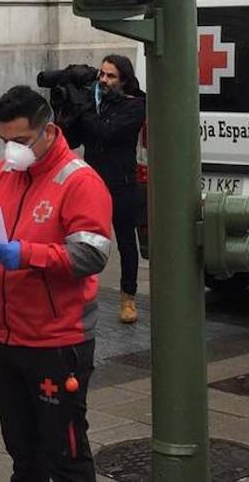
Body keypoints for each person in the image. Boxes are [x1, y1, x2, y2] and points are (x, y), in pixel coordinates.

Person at [0, 85, 113, 482]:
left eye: (19, 140)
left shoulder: (79, 182)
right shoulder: (2, 174)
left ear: (48, 131)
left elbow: (91, 255)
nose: (10, 150)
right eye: (4, 141)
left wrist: (28, 254)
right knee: (22, 451)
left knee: (65, 453)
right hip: (5, 338)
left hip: (57, 342)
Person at [67, 54, 147, 324]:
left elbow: (108, 133)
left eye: (111, 76)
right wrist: (69, 111)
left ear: (124, 80)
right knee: (82, 241)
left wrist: (87, 108)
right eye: (101, 74)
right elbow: (72, 139)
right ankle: (78, 295)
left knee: (126, 242)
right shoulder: (96, 105)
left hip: (121, 184)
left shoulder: (134, 105)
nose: (103, 80)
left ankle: (128, 297)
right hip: (92, 184)